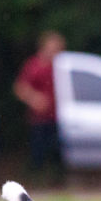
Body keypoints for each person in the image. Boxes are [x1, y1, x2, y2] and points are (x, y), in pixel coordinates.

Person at [13, 31, 66, 184]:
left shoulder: (61, 66)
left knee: (58, 154)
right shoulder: (34, 65)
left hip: (60, 118)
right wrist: (35, 99)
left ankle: (57, 183)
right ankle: (36, 182)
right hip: (39, 119)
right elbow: (20, 87)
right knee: (38, 153)